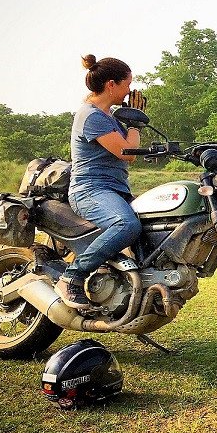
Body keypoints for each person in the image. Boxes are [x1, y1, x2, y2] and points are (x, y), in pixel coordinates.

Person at [54, 55, 145, 309]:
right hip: (90, 190)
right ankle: (71, 277)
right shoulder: (91, 116)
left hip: (115, 190)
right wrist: (135, 120)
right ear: (111, 85)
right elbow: (128, 153)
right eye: (128, 84)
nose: (131, 91)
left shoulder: (110, 117)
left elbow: (130, 154)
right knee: (126, 225)